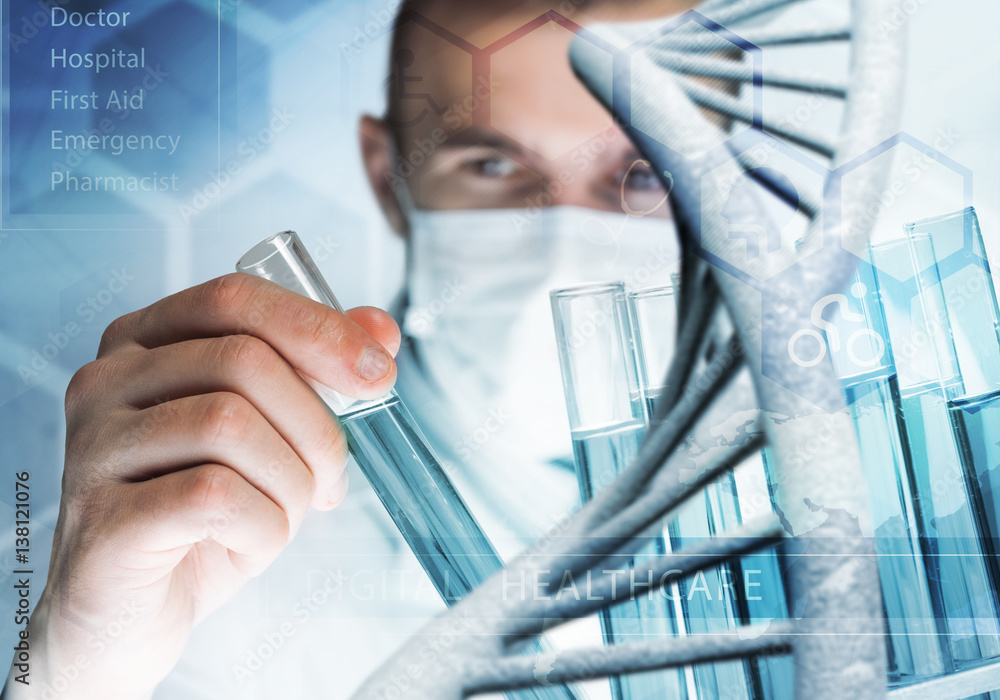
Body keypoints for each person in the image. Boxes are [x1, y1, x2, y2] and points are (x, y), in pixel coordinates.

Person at [6, 1, 693, 697]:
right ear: (387, 172)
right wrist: (74, 666)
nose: (557, 245)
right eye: (490, 164)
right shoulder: (213, 551)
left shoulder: (791, 502)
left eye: (642, 174)